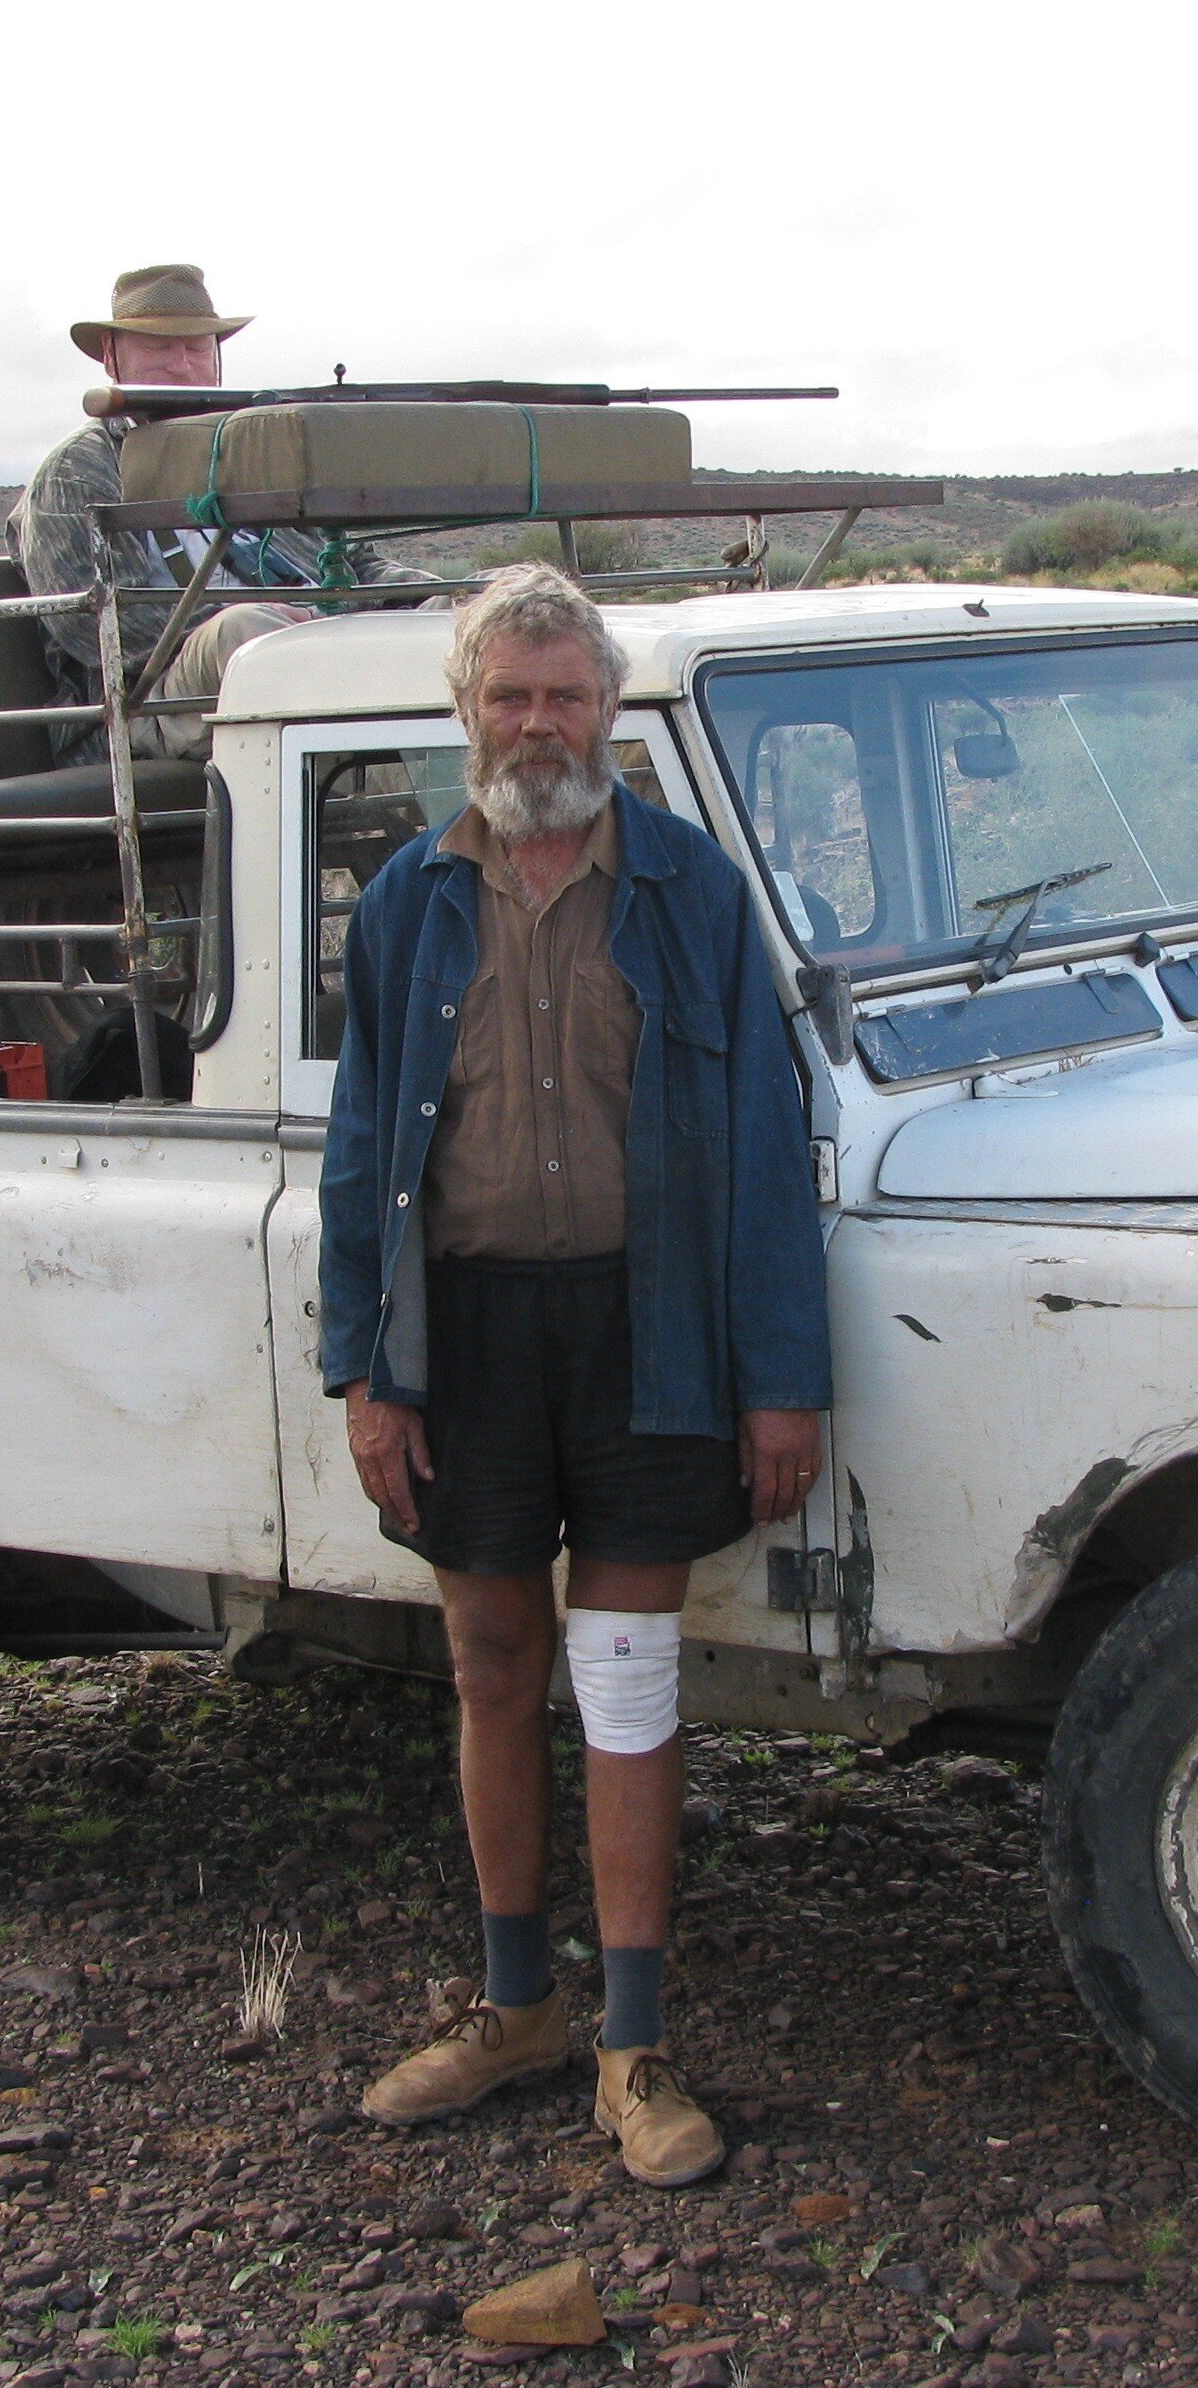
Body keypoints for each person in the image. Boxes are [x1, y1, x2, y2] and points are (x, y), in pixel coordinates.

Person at [319, 566, 830, 2186]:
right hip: (462, 1338)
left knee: (622, 1672)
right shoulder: (408, 898)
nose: (538, 723)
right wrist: (365, 1372)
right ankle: (512, 2002)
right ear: (465, 708)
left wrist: (781, 1377)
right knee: (486, 1659)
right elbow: (359, 1154)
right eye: (508, 695)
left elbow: (761, 1143)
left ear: (607, 708)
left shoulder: (684, 888)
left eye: (565, 694)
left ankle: (631, 2043)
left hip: (648, 1330)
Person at [9, 264, 422, 760]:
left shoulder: (253, 454)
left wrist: (421, 597)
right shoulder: (77, 472)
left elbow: (348, 557)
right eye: (159, 348)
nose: (181, 366)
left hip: (316, 644)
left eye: (197, 348)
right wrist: (287, 621)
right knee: (246, 633)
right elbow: (101, 628)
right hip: (149, 704)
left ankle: (451, 824)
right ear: (111, 357)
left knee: (463, 615)